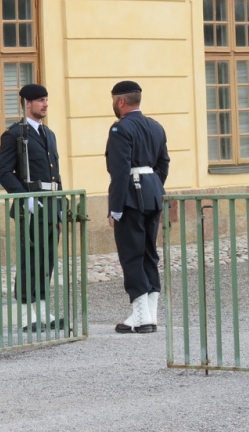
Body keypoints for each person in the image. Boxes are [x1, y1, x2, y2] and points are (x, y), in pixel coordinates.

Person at [0, 83, 63, 331]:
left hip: (50, 204)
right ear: (28, 103)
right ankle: (27, 316)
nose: (45, 104)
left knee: (47, 262)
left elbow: (54, 173)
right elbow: (3, 172)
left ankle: (44, 314)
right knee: (30, 261)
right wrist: (26, 199)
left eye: (46, 99)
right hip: (31, 207)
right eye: (41, 100)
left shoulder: (49, 134)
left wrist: (59, 205)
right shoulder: (15, 134)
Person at [105, 80, 170, 334]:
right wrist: (154, 186)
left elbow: (119, 172)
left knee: (132, 255)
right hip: (152, 194)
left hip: (131, 197)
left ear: (121, 101)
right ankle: (149, 315)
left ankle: (142, 316)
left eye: (113, 100)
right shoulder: (156, 126)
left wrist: (116, 207)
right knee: (149, 254)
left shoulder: (120, 129)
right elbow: (164, 163)